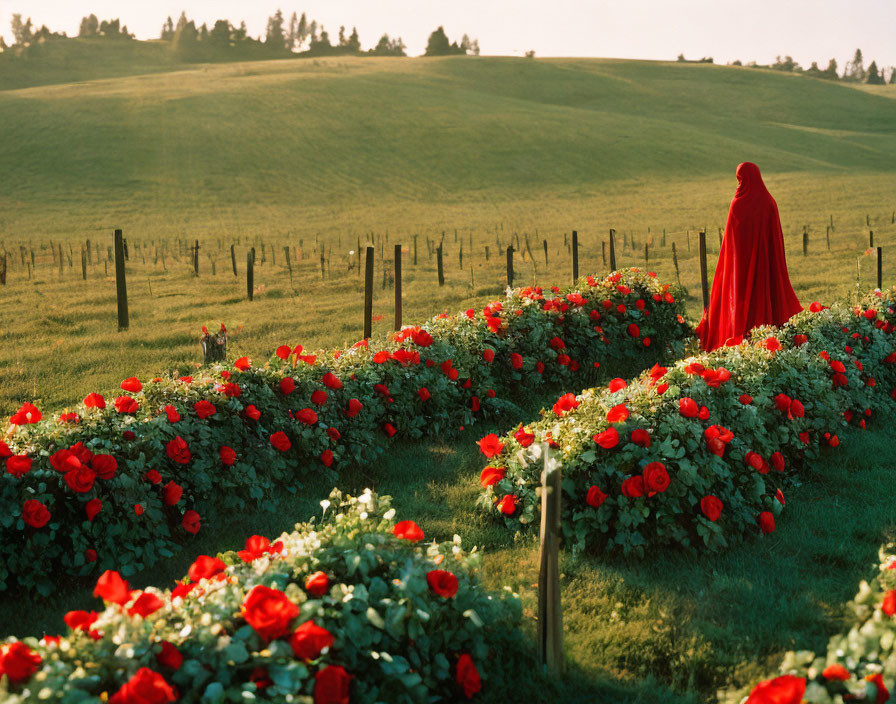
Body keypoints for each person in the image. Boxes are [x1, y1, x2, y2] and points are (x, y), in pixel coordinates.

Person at [695, 162, 802, 351]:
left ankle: (741, 336)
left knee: (742, 298)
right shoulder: (769, 202)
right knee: (763, 291)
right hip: (766, 264)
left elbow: (731, 244)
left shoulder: (738, 204)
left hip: (741, 266)